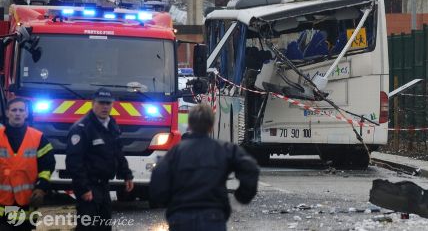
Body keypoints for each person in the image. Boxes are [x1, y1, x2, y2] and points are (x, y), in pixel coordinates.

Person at [149, 104, 260, 231]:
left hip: (181, 218)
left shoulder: (175, 152)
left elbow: (158, 181)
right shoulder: (225, 149)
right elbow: (251, 169)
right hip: (213, 218)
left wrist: (168, 202)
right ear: (211, 127)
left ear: (189, 125)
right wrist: (240, 198)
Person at [66, 88, 134, 230]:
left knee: (104, 226)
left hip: (104, 186)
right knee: (88, 227)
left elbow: (118, 152)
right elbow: (74, 162)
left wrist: (127, 175)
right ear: (93, 104)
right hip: (89, 186)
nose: (105, 107)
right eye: (101, 103)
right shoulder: (82, 128)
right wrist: (83, 188)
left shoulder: (111, 124)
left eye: (108, 103)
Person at [0, 97, 55, 231]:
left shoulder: (38, 138)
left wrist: (41, 187)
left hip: (27, 201)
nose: (17, 113)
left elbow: (47, 166)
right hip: (2, 202)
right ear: (7, 113)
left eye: (21, 110)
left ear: (26, 113)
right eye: (14, 110)